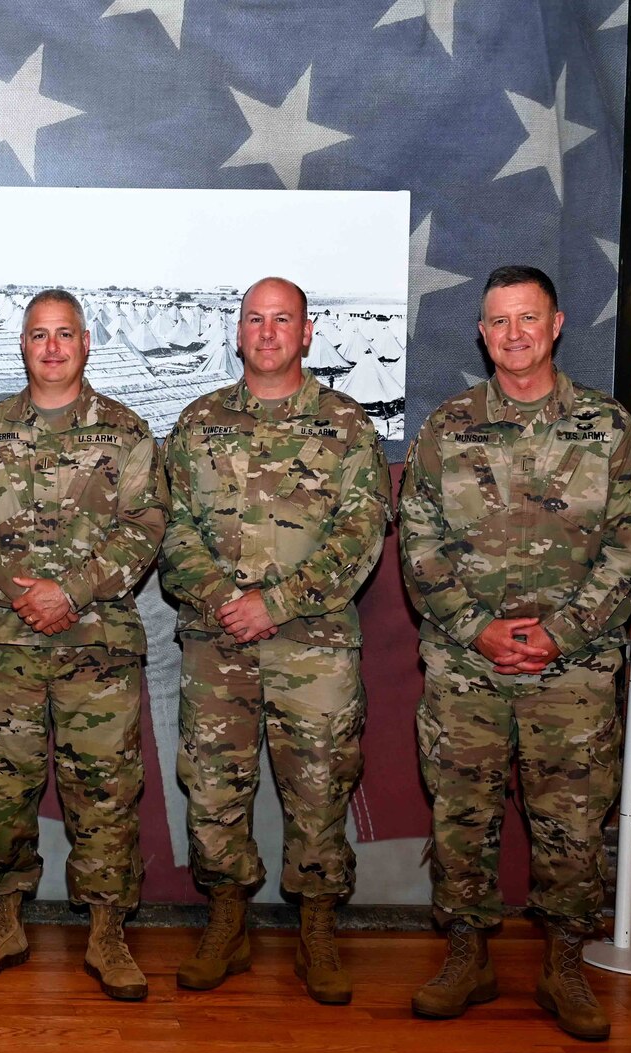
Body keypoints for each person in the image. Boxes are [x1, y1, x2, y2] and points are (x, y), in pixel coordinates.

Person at [399, 265, 631, 1041]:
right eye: (498, 322)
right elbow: (418, 541)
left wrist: (561, 633)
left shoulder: (606, 428)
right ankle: (467, 957)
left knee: (572, 824)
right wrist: (475, 625)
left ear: (556, 325)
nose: (513, 334)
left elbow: (627, 542)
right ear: (482, 333)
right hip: (465, 664)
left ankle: (565, 965)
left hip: (571, 670)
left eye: (527, 319)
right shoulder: (448, 428)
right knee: (461, 816)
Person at [161, 277, 390, 1005]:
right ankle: (226, 918)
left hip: (312, 647)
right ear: (237, 333)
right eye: (254, 320)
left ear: (307, 331)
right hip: (214, 642)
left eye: (281, 319)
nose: (266, 332)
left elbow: (361, 535)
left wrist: (278, 603)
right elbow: (168, 530)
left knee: (320, 788)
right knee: (213, 789)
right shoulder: (197, 423)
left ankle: (317, 928)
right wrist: (228, 600)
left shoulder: (347, 425)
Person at [0, 288, 165, 1001]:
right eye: (39, 335)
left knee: (104, 791)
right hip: (5, 645)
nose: (52, 347)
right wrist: (18, 590)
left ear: (87, 341)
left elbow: (145, 527)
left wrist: (73, 590)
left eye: (64, 334)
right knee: (1, 790)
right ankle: (2, 919)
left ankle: (106, 929)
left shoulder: (127, 434)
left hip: (96, 645)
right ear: (23, 345)